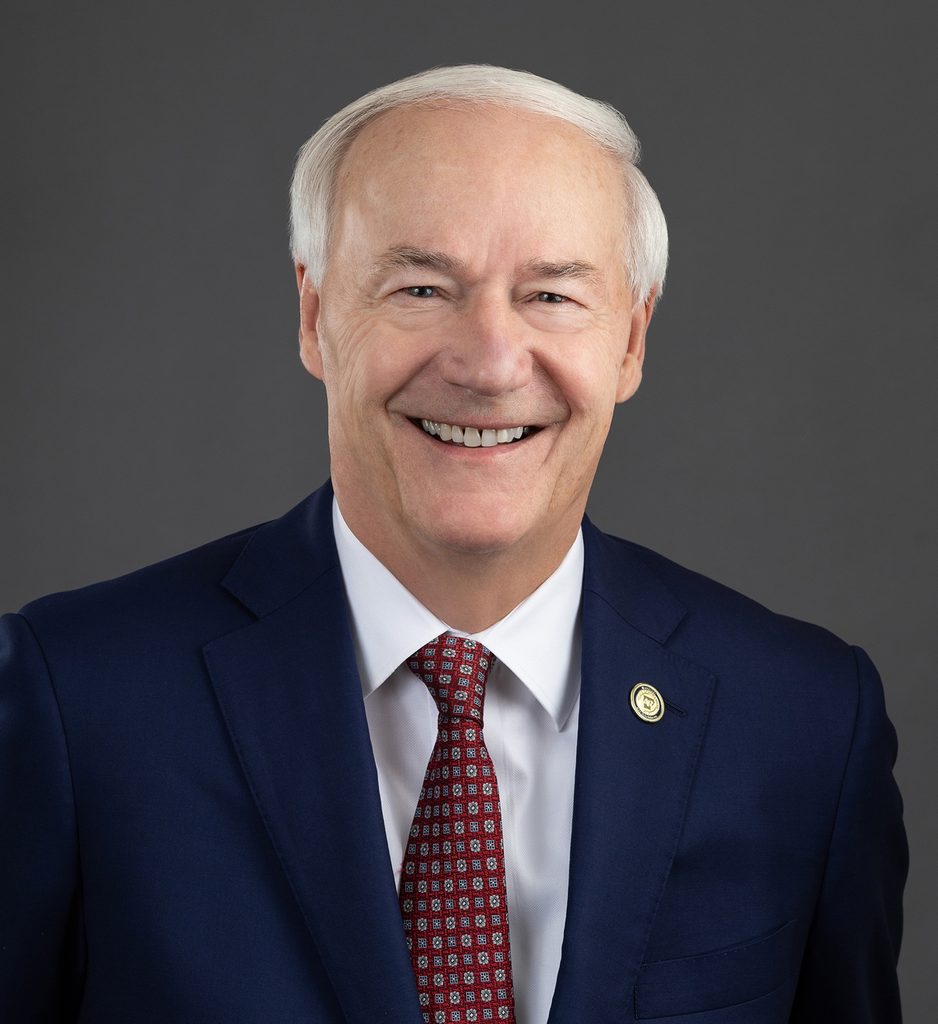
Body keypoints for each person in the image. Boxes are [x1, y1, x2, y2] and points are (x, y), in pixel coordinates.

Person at [0, 65, 906, 1023]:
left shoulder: (804, 724)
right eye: (422, 287)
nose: (488, 362)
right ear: (314, 316)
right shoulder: (77, 701)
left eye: (552, 296)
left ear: (631, 340)